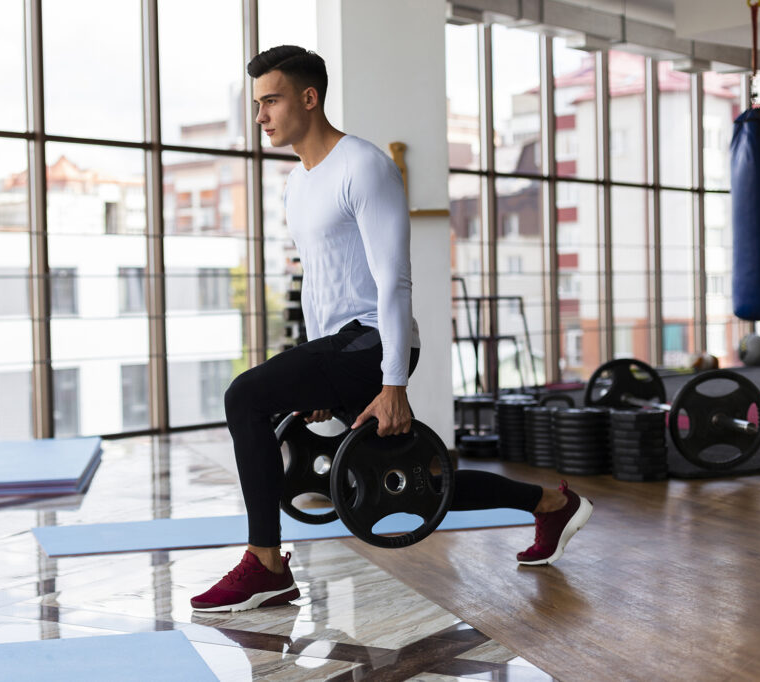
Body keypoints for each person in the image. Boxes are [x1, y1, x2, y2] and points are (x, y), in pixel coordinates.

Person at [190, 46, 593, 612]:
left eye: (272, 100)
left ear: (309, 98)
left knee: (245, 397)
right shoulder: (296, 184)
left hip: (379, 340)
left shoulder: (364, 165)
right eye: (257, 103)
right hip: (341, 345)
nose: (261, 116)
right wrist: (315, 376)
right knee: (411, 477)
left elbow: (394, 283)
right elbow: (320, 286)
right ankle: (551, 504)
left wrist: (393, 383)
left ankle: (265, 563)